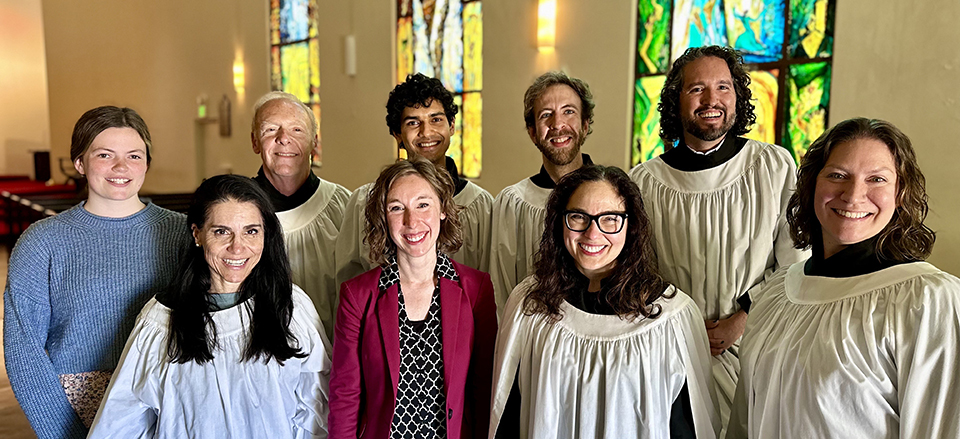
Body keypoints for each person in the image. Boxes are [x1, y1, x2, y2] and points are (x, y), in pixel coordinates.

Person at [727, 118, 960, 438]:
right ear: (811, 185)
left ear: (901, 194)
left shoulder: (927, 301)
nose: (853, 195)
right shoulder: (777, 294)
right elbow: (745, 420)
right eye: (838, 175)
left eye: (876, 179)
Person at [628, 45, 808, 429]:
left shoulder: (773, 166)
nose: (712, 100)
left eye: (723, 87)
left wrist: (742, 319)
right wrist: (683, 325)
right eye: (697, 89)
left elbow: (796, 264)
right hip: (671, 351)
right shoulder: (644, 181)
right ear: (675, 100)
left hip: (756, 344)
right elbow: (637, 271)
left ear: (738, 96)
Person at [88, 174, 331, 438]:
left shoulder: (290, 308)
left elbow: (318, 408)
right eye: (222, 231)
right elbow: (121, 423)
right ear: (197, 234)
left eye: (251, 231)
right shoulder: (160, 322)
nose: (237, 248)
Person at [490, 165, 719, 439]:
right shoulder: (530, 304)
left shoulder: (672, 317)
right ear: (559, 221)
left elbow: (688, 426)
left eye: (610, 219)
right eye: (578, 217)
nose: (592, 234)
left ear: (631, 225)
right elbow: (507, 411)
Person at [2, 106, 188, 439]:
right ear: (79, 163)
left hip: (171, 399)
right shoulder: (43, 241)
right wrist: (62, 432)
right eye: (105, 154)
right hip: (80, 405)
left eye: (134, 155)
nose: (121, 167)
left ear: (147, 162)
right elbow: (23, 348)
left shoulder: (179, 234)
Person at [329, 156, 497, 439]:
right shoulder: (357, 296)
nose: (411, 221)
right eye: (397, 208)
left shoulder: (475, 289)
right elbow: (345, 396)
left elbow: (484, 390)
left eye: (423, 204)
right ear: (383, 217)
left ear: (443, 209)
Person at [335, 73, 493, 289]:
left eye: (436, 120)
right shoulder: (364, 201)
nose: (426, 132)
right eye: (413, 122)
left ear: (452, 125)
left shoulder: (481, 205)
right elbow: (348, 282)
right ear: (397, 133)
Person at [489, 71, 596, 312]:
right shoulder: (513, 203)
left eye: (569, 111)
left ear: (585, 124)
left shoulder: (613, 197)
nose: (558, 124)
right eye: (546, 115)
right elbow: (502, 291)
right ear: (533, 132)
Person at [250, 91, 351, 342]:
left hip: (337, 357)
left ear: (314, 142)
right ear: (254, 142)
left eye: (297, 130)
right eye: (271, 129)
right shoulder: (238, 211)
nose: (283, 139)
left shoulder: (345, 205)